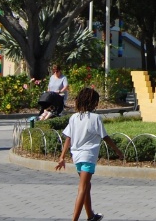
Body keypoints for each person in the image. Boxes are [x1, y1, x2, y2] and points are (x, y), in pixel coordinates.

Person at [56, 88, 124, 221]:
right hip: (88, 157)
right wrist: (118, 151)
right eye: (96, 102)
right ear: (92, 103)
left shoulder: (74, 117)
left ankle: (91, 216)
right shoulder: (95, 118)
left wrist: (62, 156)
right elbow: (105, 137)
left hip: (76, 157)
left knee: (87, 185)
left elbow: (68, 138)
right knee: (83, 187)